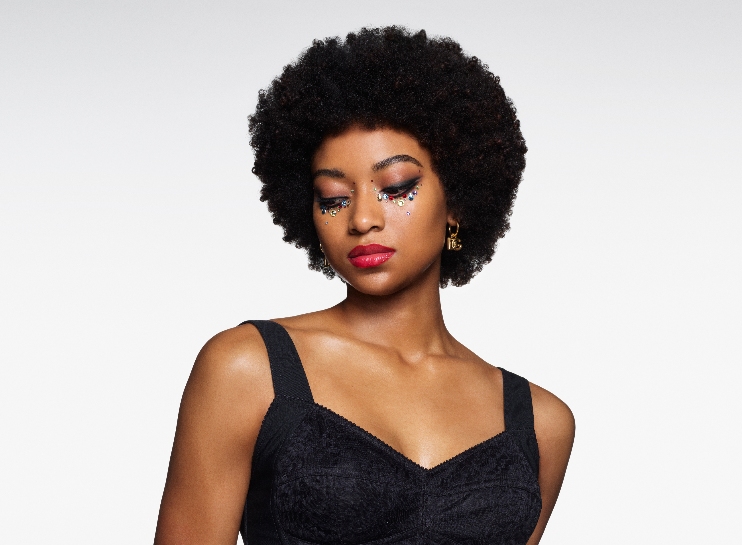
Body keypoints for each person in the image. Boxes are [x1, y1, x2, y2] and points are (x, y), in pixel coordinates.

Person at [155, 26, 575, 545]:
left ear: (457, 202)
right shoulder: (247, 368)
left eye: (396, 188)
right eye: (333, 198)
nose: (361, 219)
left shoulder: (541, 425)